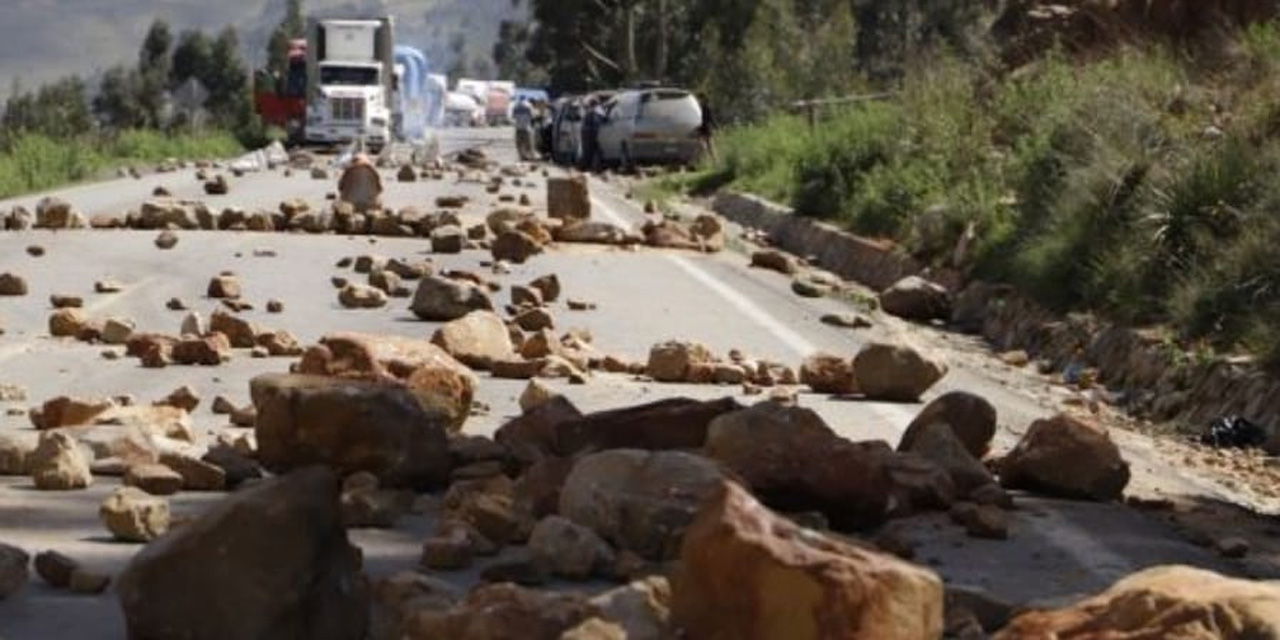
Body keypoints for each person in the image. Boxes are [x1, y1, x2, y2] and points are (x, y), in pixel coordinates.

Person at [579, 97, 604, 172]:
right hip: (591, 134)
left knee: (587, 151)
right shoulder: (594, 112)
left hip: (587, 133)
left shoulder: (589, 111)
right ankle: (586, 168)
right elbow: (598, 121)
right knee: (590, 151)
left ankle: (585, 167)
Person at [697, 94, 718, 163]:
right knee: (705, 146)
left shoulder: (706, 108)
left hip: (706, 129)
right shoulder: (701, 108)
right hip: (703, 129)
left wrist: (716, 126)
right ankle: (710, 160)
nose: (699, 101)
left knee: (709, 146)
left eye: (700, 99)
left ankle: (714, 161)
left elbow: (711, 118)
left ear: (703, 99)